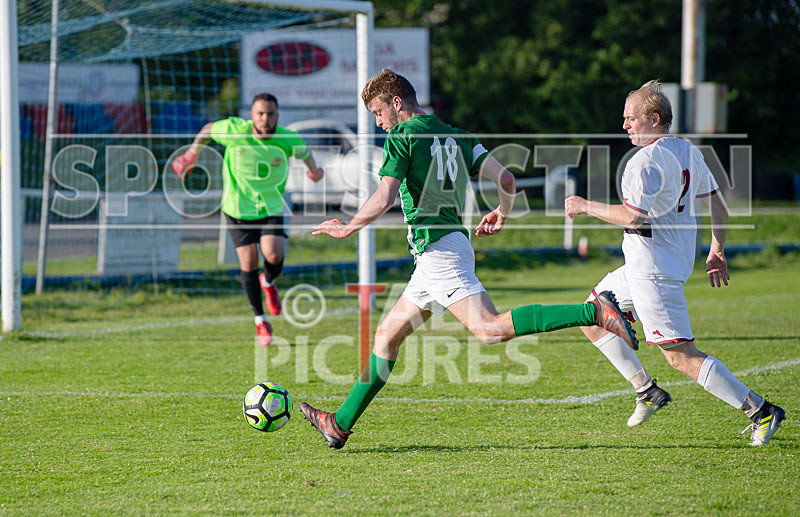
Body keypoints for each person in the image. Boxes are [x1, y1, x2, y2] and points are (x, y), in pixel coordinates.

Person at [299, 68, 638, 449]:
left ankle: (593, 312)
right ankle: (339, 424)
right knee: (386, 337)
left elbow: (385, 195)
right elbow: (506, 180)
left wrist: (349, 227)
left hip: (438, 253)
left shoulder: (402, 136)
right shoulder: (460, 136)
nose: (378, 123)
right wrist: (502, 212)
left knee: (489, 329)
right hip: (445, 250)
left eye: (378, 113)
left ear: (396, 103)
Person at [565, 80, 785, 446]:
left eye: (631, 117)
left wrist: (584, 205)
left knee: (681, 357)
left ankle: (760, 411)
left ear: (654, 119)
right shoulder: (687, 150)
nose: (624, 125)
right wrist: (717, 249)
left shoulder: (643, 162)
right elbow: (718, 204)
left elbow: (633, 217)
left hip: (654, 271)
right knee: (592, 315)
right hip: (653, 264)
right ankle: (646, 390)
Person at [172, 93, 324, 346]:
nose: (265, 119)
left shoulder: (287, 138)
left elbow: (305, 152)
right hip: (237, 209)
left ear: (277, 115)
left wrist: (314, 171)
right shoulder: (235, 131)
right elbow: (208, 129)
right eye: (260, 114)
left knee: (273, 254)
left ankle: (269, 280)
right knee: (249, 261)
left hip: (271, 206)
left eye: (270, 114)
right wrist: (191, 155)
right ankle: (260, 321)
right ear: (252, 115)